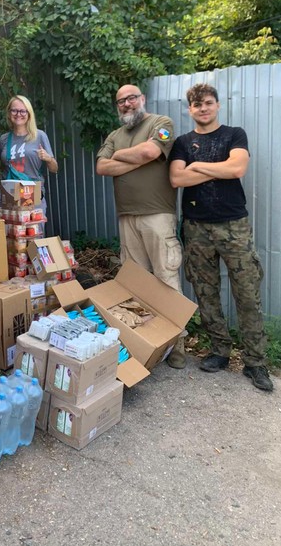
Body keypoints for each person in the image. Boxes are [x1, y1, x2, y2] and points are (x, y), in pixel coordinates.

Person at [169, 83, 272, 392]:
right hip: (196, 227)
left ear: (217, 105)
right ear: (190, 109)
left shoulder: (234, 135)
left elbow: (237, 168)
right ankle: (219, 351)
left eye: (208, 103)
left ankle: (255, 362)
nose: (203, 108)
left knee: (247, 293)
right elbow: (176, 178)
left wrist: (198, 166)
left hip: (233, 226)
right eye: (197, 104)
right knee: (206, 292)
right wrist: (220, 168)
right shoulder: (182, 142)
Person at [96, 84, 185, 369]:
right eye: (121, 101)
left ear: (142, 99)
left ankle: (177, 345)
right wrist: (137, 158)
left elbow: (149, 151)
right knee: (134, 283)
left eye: (131, 98)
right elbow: (101, 167)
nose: (126, 104)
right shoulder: (114, 135)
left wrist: (122, 156)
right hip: (127, 216)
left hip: (157, 215)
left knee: (166, 279)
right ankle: (146, 342)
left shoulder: (161, 124)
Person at [0, 95, 58, 215]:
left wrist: (48, 159)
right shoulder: (4, 139)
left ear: (29, 114)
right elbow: (2, 167)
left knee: (32, 227)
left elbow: (54, 169)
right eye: (14, 110)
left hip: (31, 194)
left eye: (23, 111)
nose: (18, 114)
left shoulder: (39, 136)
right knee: (10, 227)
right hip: (9, 193)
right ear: (9, 113)